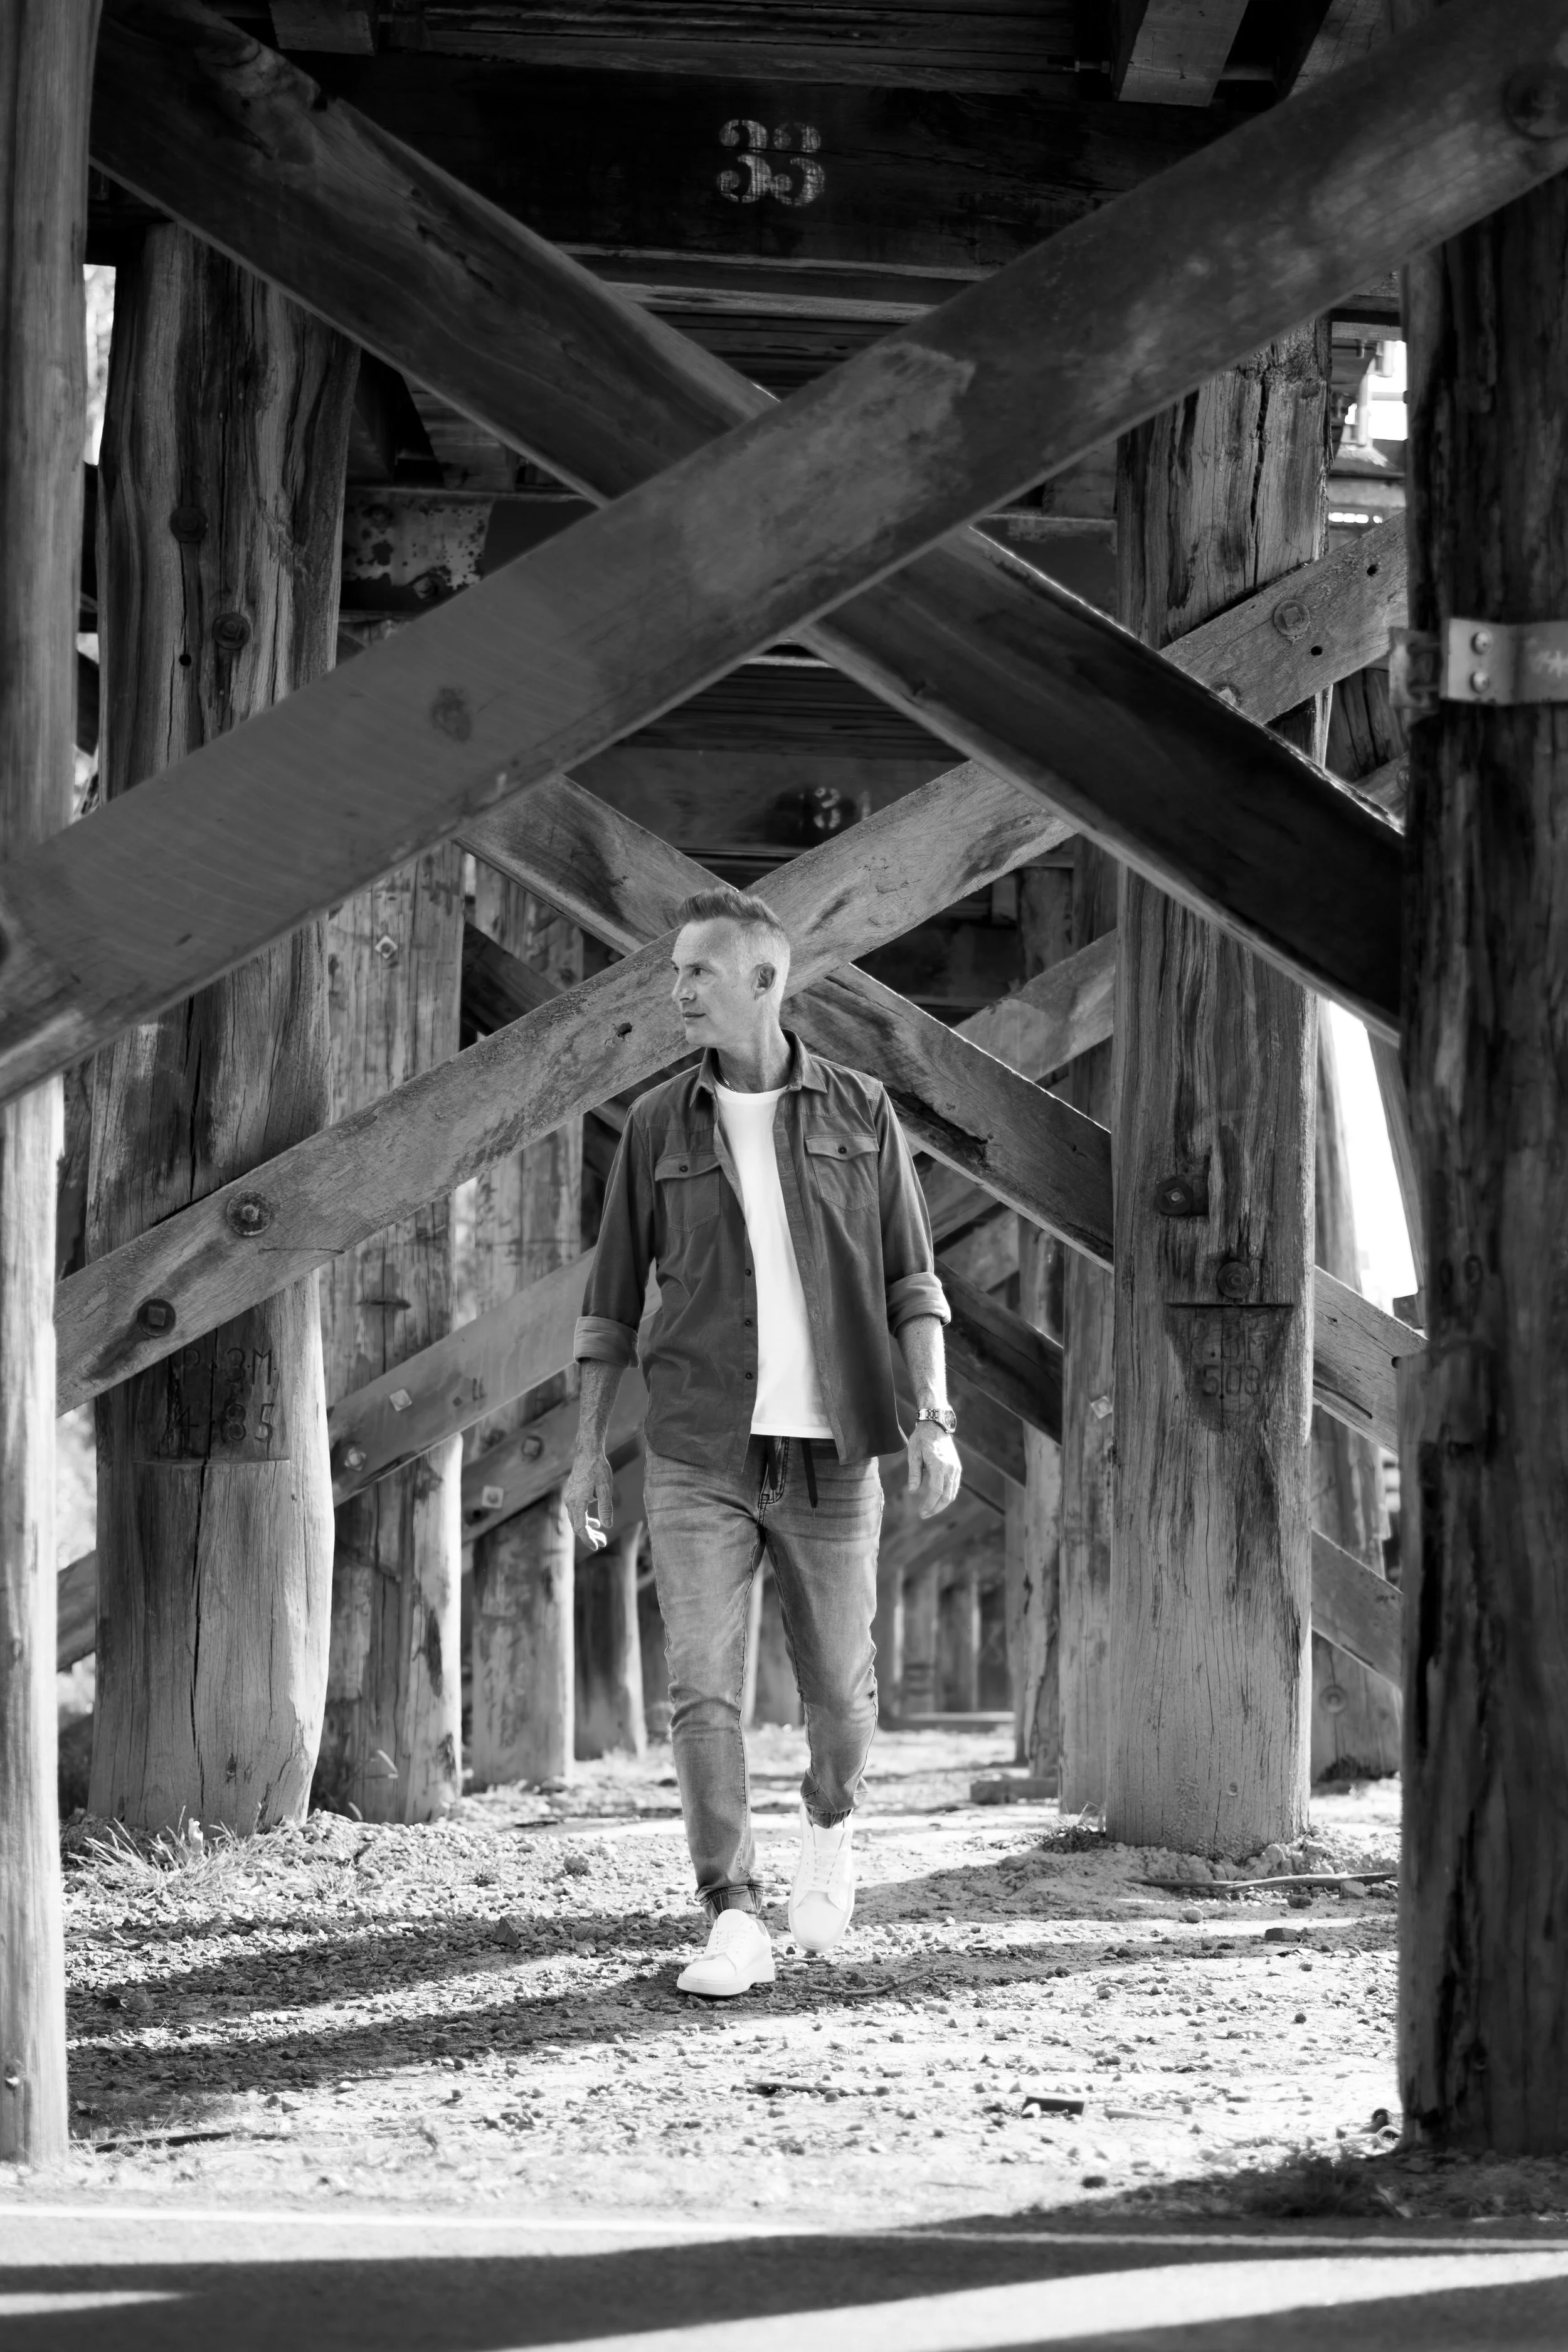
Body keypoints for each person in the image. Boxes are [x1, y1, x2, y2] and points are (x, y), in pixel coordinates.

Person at [564, 884, 961, 1999]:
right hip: (698, 1447)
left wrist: (933, 1416)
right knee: (703, 1689)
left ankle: (830, 1824)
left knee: (839, 1687)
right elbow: (607, 1306)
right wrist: (589, 1449)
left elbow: (911, 1282)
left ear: (765, 980)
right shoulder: (654, 1126)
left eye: (699, 971)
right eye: (677, 971)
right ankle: (729, 1909)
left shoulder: (861, 1111)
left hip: (833, 1447)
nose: (678, 989)